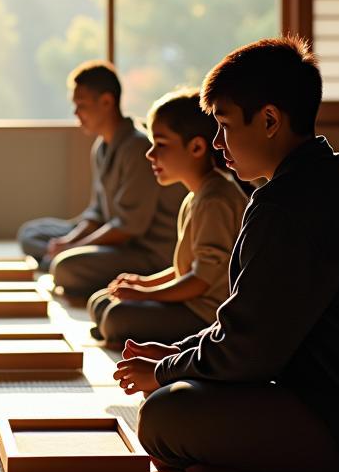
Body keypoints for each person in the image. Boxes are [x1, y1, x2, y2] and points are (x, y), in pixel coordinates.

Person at [116, 36, 339, 472]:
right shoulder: (319, 182)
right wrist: (177, 353)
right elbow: (253, 324)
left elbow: (250, 352)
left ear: (270, 120)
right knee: (179, 395)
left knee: (165, 415)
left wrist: (163, 371)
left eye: (224, 125)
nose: (218, 143)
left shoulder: (292, 206)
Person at [89, 89, 248, 345]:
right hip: (190, 301)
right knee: (100, 302)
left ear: (196, 147)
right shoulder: (196, 196)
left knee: (115, 315)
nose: (150, 154)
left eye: (161, 144)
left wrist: (144, 294)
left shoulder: (215, 200)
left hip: (207, 314)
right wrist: (143, 283)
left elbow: (200, 281)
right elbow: (183, 269)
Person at [17, 61, 185, 301]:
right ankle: (56, 259)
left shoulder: (138, 148)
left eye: (81, 105)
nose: (76, 113)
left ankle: (58, 264)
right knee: (31, 232)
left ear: (107, 101)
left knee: (66, 267)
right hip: (108, 236)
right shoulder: (101, 147)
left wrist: (74, 248)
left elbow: (128, 227)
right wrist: (68, 241)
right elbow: (96, 213)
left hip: (141, 250)